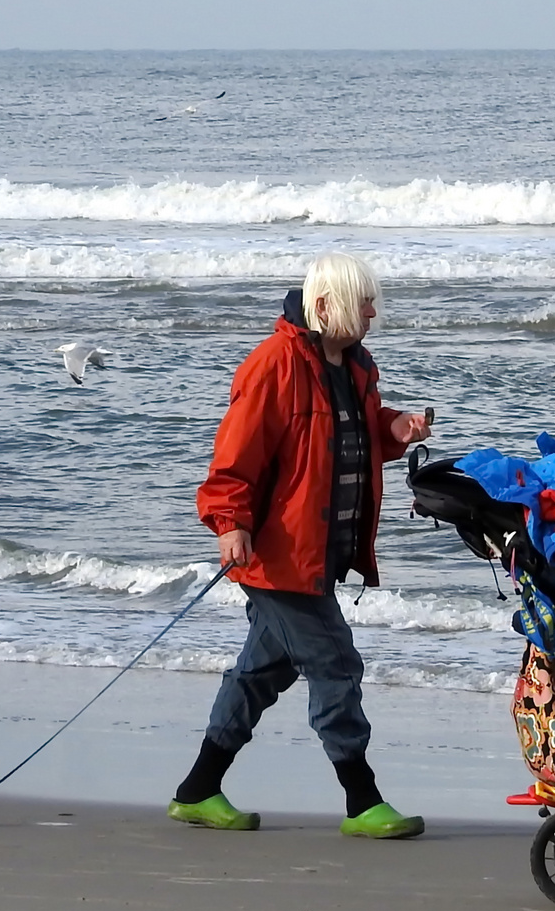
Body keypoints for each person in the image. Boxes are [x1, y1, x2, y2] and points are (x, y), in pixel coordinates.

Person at [167, 252, 433, 838]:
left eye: (371, 302)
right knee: (336, 665)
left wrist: (395, 429)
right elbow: (233, 460)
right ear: (323, 306)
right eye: (361, 302)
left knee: (261, 674)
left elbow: (348, 437)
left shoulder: (355, 366)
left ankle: (197, 790)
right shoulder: (274, 364)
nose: (371, 313)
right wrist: (229, 522)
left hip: (319, 556)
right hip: (280, 558)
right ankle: (362, 801)